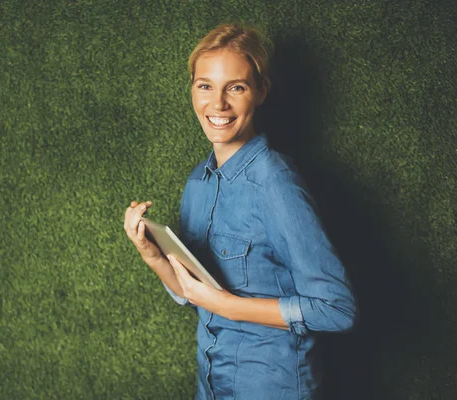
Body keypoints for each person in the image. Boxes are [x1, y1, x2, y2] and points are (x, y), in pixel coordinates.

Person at [123, 23, 356, 400]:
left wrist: (230, 307)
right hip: (212, 382)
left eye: (236, 87)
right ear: (192, 90)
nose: (218, 105)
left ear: (260, 92)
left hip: (272, 385)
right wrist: (151, 253)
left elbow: (336, 309)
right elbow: (192, 292)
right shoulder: (197, 182)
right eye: (205, 86)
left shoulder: (275, 182)